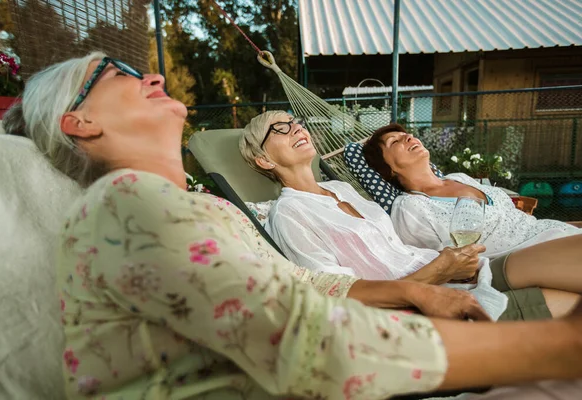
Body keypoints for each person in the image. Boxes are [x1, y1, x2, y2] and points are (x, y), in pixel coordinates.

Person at [4, 52, 582, 400]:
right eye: (116, 73)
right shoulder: (126, 202)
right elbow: (303, 338)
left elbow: (297, 290)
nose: (152, 77)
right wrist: (555, 348)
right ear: (76, 121)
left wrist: (413, 287)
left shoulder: (194, 208)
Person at [239, 111, 581, 322]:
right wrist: (439, 271)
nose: (296, 128)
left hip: (466, 273)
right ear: (264, 160)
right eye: (279, 129)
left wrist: (449, 264)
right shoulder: (289, 215)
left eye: (295, 122)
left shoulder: (341, 188)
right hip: (432, 303)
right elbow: (339, 294)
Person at [362, 123, 581, 259]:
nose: (408, 137)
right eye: (395, 141)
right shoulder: (411, 208)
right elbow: (440, 264)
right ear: (387, 169)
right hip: (529, 258)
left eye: (407, 134)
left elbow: (519, 221)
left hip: (550, 234)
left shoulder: (459, 178)